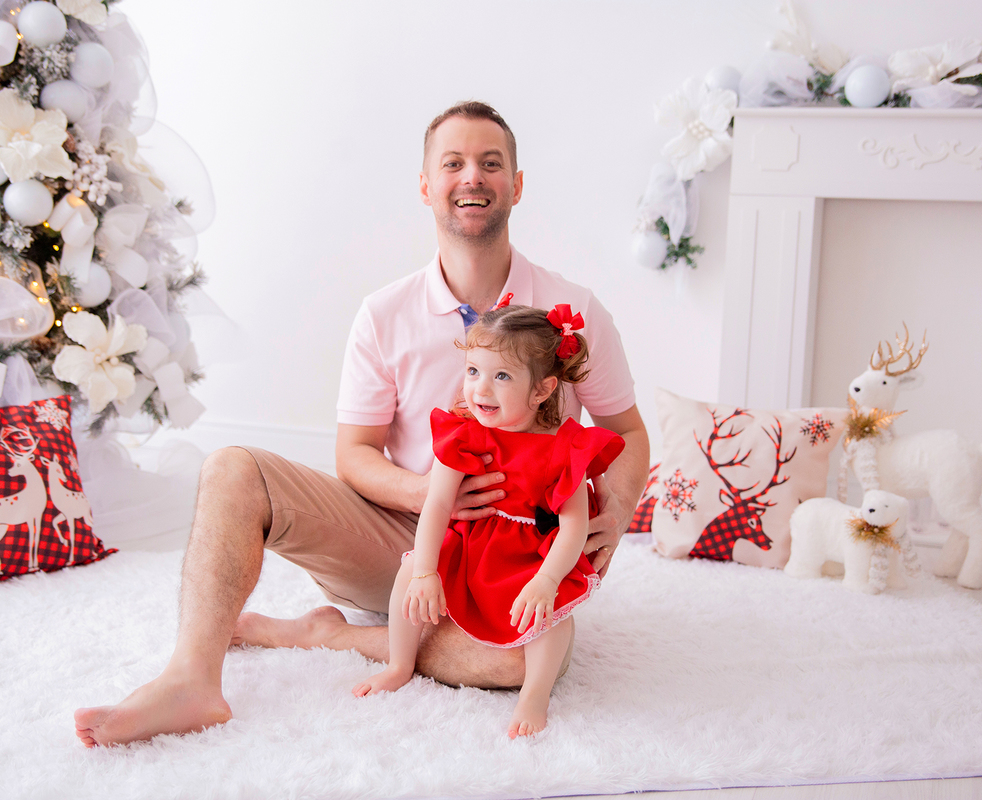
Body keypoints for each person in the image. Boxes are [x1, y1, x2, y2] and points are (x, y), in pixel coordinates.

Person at [74, 101, 649, 748]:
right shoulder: (384, 313)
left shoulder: (575, 311)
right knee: (232, 468)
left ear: (516, 185)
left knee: (521, 663)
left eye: (492, 164)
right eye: (452, 163)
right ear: (426, 186)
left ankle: (330, 635)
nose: (473, 177)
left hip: (515, 555)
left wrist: (616, 512)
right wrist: (433, 493)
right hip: (399, 537)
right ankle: (190, 680)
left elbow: (626, 430)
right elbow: (354, 454)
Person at [351, 304, 624, 739]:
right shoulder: (464, 433)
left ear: (542, 390)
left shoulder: (564, 446)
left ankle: (535, 692)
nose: (480, 388)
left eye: (501, 377)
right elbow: (438, 506)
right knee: (409, 569)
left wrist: (548, 579)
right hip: (473, 544)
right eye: (473, 370)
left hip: (530, 555)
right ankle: (399, 664)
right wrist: (425, 572)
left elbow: (573, 525)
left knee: (548, 615)